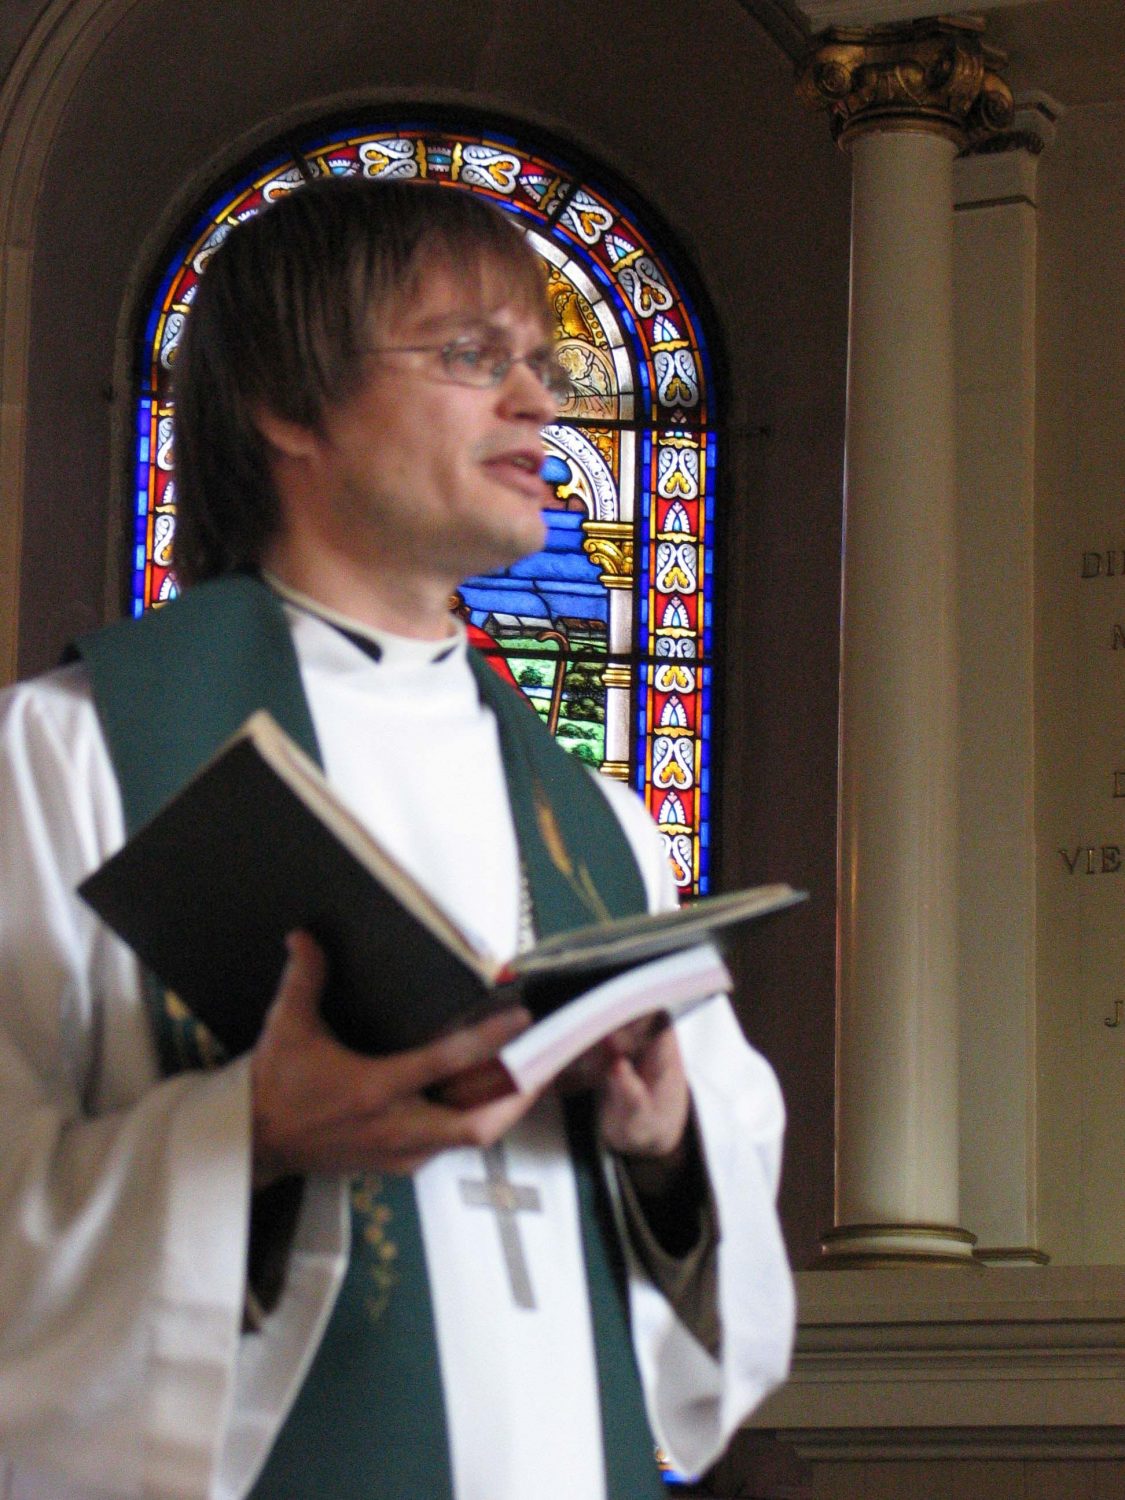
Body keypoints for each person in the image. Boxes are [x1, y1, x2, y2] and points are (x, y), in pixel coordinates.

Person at [0, 177, 794, 1500]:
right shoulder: (72, 755)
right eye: (473, 356)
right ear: (287, 404)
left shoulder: (595, 822)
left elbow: (721, 1208)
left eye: (541, 365)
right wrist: (247, 1137)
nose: (537, 403)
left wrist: (665, 1143)